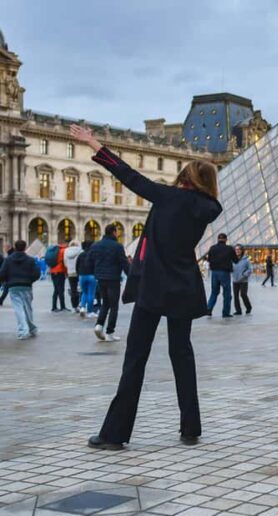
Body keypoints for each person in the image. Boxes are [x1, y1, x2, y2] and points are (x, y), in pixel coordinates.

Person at [70, 124, 221, 450]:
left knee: (136, 358)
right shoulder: (207, 209)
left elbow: (129, 175)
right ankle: (190, 428)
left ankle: (114, 434)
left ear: (185, 177)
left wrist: (93, 142)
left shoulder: (168, 197)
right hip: (183, 286)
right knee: (182, 354)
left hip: (153, 287)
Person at [89, 224, 130, 341]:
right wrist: (131, 276)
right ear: (113, 232)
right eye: (116, 231)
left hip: (101, 279)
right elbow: (124, 263)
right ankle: (110, 332)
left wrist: (96, 272)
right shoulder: (117, 246)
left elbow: (89, 261)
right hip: (113, 279)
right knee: (114, 306)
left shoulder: (96, 245)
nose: (117, 233)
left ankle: (99, 325)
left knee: (105, 303)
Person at [0, 240, 40, 339]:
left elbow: (2, 273)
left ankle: (23, 331)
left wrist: (8, 281)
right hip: (26, 286)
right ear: (25, 247)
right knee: (28, 308)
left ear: (15, 247)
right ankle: (31, 328)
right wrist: (30, 280)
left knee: (19, 309)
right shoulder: (30, 260)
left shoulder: (8, 259)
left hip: (13, 287)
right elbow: (37, 273)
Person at [206, 233, 237, 318]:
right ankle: (225, 313)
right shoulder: (229, 249)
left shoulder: (212, 248)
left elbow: (209, 260)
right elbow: (235, 260)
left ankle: (209, 308)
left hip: (214, 273)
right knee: (227, 293)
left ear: (218, 239)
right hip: (224, 273)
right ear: (226, 239)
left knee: (214, 292)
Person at [76, 240, 97, 317]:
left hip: (82, 276)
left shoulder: (81, 255)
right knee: (91, 294)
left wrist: (79, 275)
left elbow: (77, 266)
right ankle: (90, 311)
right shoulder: (93, 255)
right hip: (92, 276)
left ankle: (82, 308)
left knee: (84, 293)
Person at [232, 245, 253, 315]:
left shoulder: (246, 260)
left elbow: (250, 269)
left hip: (243, 280)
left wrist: (244, 275)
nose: (237, 251)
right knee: (235, 296)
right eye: (236, 249)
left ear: (242, 250)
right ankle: (238, 311)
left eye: (239, 249)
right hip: (235, 280)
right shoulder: (232, 259)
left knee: (243, 294)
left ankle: (248, 307)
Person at [64, 240, 83, 313]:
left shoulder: (66, 251)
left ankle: (74, 306)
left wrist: (69, 267)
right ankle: (80, 304)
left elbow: (65, 262)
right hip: (79, 271)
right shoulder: (80, 251)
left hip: (70, 272)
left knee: (73, 289)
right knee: (80, 288)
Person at [49, 242, 68, 312]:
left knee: (56, 289)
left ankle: (54, 306)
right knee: (61, 290)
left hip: (53, 271)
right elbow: (64, 262)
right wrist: (66, 272)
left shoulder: (54, 250)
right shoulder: (63, 251)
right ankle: (62, 306)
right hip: (60, 271)